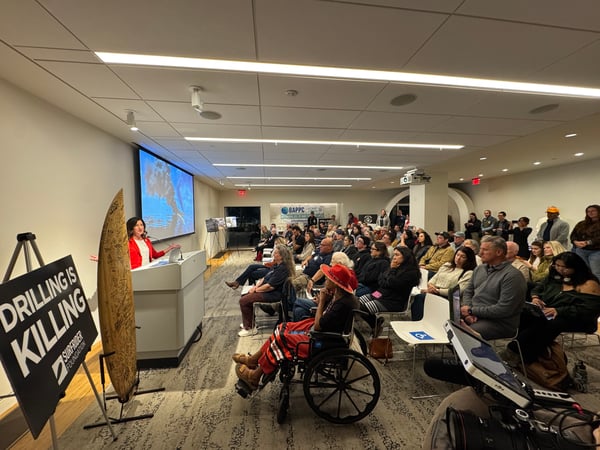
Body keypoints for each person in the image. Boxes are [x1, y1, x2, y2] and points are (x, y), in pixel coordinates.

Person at [232, 264, 359, 390]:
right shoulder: (342, 296)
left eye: (328, 278)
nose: (325, 279)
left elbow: (318, 326)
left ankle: (255, 376)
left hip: (321, 340)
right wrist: (325, 300)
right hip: (322, 334)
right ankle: (254, 360)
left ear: (335, 283)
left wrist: (321, 302)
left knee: (282, 338)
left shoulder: (342, 303)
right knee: (282, 327)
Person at [506, 252, 600, 364]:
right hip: (549, 311)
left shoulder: (589, 284)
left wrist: (559, 311)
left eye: (564, 267)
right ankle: (520, 348)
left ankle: (521, 352)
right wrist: (535, 297)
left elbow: (589, 310)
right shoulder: (555, 276)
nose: (559, 269)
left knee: (549, 323)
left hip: (576, 318)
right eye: (557, 265)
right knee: (526, 314)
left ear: (575, 267)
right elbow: (539, 287)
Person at [460, 236, 527, 340]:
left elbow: (504, 309)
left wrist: (472, 311)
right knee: (445, 324)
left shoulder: (513, 276)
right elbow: (468, 291)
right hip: (474, 314)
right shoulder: (479, 269)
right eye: (481, 249)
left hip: (499, 323)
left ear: (498, 252)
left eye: (485, 250)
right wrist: (467, 312)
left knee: (463, 336)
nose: (480, 253)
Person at [359, 246, 421, 334]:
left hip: (393, 301)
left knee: (363, 308)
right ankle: (377, 322)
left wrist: (392, 270)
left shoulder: (411, 272)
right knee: (358, 302)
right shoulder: (396, 266)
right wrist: (387, 279)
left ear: (405, 257)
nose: (394, 257)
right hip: (381, 294)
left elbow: (392, 283)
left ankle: (375, 325)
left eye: (397, 255)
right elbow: (380, 280)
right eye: (394, 255)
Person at [238, 244, 296, 337]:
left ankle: (250, 328)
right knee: (245, 296)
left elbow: (270, 286)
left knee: (244, 300)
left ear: (281, 256)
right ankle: (250, 322)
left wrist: (256, 290)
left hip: (274, 294)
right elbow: (265, 278)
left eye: (275, 253)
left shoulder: (282, 269)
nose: (273, 254)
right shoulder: (277, 265)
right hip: (268, 290)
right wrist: (255, 287)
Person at [411, 247, 476, 321]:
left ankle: (420, 321)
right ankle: (419, 321)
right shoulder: (447, 266)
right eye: (457, 255)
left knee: (421, 298)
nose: (458, 258)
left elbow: (458, 291)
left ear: (468, 260)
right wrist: (431, 287)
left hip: (449, 298)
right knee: (419, 297)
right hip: (435, 292)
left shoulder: (468, 273)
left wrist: (437, 291)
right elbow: (433, 279)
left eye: (463, 257)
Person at [292, 252, 355, 321]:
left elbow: (336, 300)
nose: (330, 264)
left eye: (332, 262)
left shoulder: (345, 278)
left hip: (326, 307)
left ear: (339, 263)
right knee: (299, 311)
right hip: (325, 302)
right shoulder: (340, 274)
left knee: (298, 301)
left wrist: (321, 301)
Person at [570, 204, 600, 280]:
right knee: (584, 270)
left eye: (593, 211)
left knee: (595, 272)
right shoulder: (581, 224)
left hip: (596, 251)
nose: (590, 213)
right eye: (588, 211)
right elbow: (573, 235)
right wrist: (575, 242)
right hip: (581, 250)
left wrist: (588, 242)